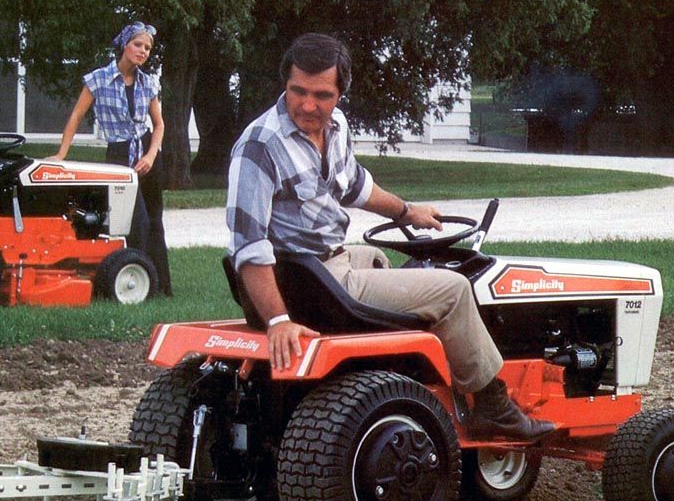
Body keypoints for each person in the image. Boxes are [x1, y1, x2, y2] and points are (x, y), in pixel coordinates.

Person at [225, 33, 553, 441]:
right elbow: (248, 246)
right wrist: (277, 321)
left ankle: (403, 377)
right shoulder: (260, 146)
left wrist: (407, 211)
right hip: (306, 284)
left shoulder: (335, 127)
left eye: (322, 95)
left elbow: (356, 186)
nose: (308, 105)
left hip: (326, 267)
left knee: (378, 260)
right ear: (285, 84)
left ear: (341, 93)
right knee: (451, 290)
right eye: (298, 92)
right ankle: (492, 403)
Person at [50, 21, 172, 296]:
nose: (143, 52)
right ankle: (139, 284)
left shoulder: (148, 82)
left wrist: (151, 155)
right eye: (138, 45)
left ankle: (162, 287)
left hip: (147, 152)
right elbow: (77, 116)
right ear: (125, 45)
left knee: (154, 220)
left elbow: (159, 124)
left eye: (148, 48)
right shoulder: (98, 79)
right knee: (135, 221)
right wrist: (61, 154)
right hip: (118, 155)